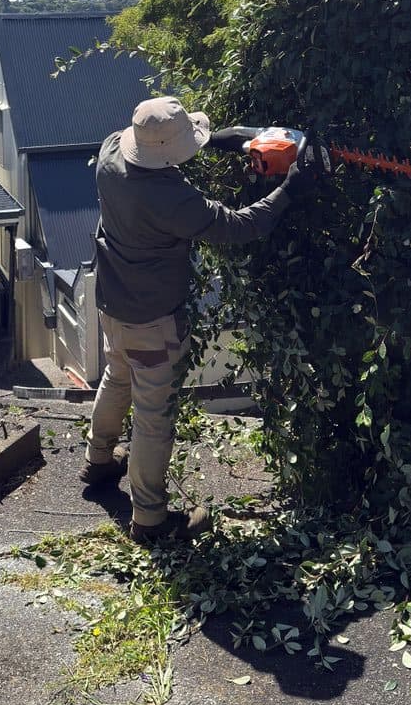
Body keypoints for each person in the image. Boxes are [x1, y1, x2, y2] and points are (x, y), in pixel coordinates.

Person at [80, 95, 317, 544]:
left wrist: (218, 141)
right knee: (152, 418)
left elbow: (155, 150)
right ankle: (150, 520)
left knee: (117, 376)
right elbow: (240, 226)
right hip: (152, 320)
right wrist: (289, 190)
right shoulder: (171, 199)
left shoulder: (110, 152)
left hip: (112, 302)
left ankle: (98, 461)